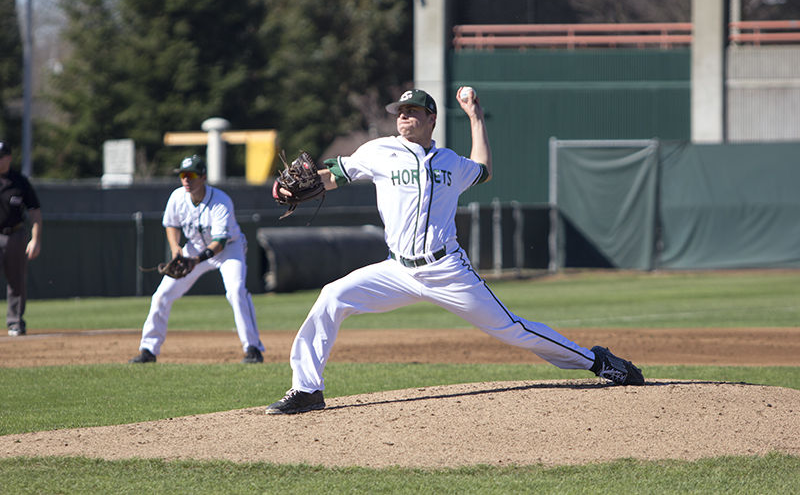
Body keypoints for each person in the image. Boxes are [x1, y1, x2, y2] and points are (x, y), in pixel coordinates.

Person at [265, 88, 644, 414]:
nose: (403, 117)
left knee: (513, 330)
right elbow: (335, 174)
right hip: (397, 270)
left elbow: (483, 168)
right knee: (332, 296)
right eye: (400, 112)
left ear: (431, 119)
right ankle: (307, 389)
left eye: (412, 112)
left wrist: (475, 116)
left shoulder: (450, 162)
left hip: (447, 269)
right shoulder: (378, 152)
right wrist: (301, 186)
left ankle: (597, 361)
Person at [129, 154, 265, 364]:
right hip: (193, 248)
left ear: (203, 177)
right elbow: (171, 224)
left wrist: (195, 261)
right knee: (161, 295)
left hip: (229, 249)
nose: (186, 180)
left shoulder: (221, 201)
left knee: (236, 291)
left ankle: (253, 348)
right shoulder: (177, 197)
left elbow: (219, 243)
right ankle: (148, 349)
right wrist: (176, 250)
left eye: (191, 175)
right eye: (183, 175)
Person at [0, 141, 42, 336]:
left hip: (14, 234)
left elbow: (34, 210)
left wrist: (35, 239)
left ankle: (15, 321)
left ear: (8, 157)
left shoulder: (19, 181)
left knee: (16, 280)